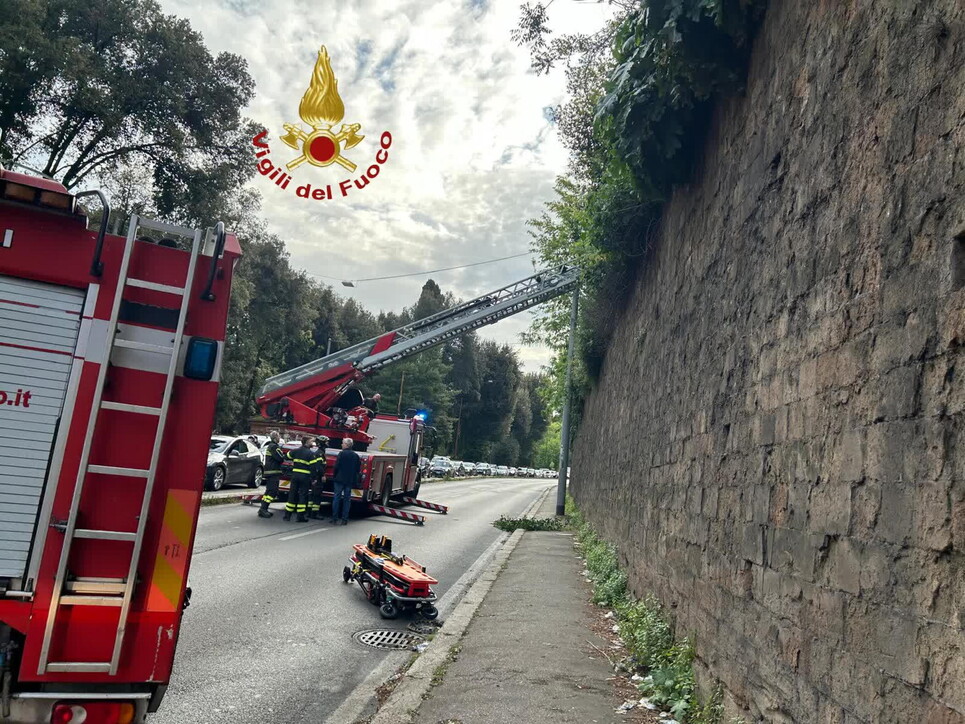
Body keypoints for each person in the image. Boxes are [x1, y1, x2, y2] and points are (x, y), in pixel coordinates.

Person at [285, 436, 323, 522]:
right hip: (305, 477)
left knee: (292, 494)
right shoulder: (310, 454)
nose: (312, 443)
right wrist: (314, 479)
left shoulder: (295, 451)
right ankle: (300, 517)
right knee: (302, 495)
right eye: (311, 442)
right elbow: (313, 468)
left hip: (294, 476)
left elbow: (287, 456)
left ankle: (287, 516)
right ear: (306, 442)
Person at [331, 437, 361, 525]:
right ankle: (345, 519)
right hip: (349, 480)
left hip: (339, 479)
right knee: (347, 499)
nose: (341, 444)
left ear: (347, 445)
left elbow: (336, 466)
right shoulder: (355, 455)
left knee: (336, 498)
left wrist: (335, 475)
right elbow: (357, 469)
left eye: (343, 443)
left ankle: (335, 518)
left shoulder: (341, 454)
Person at [257, 430, 286, 519]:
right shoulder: (274, 447)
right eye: (278, 437)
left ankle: (263, 509)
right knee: (273, 492)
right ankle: (263, 508)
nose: (279, 438)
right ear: (275, 438)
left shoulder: (271, 446)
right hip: (273, 472)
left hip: (270, 472)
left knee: (268, 491)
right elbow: (281, 458)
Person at [308, 436, 329, 519]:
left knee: (313, 495)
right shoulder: (319, 453)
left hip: (315, 477)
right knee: (316, 496)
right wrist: (322, 475)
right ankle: (314, 514)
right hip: (318, 478)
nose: (328, 443)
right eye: (326, 442)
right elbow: (318, 467)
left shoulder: (319, 452)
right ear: (322, 443)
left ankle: (310, 512)